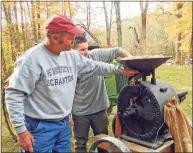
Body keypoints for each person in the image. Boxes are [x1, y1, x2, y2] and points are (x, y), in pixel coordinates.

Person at [5, 14, 138, 153]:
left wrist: (121, 70)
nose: (73, 41)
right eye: (70, 38)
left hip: (63, 125)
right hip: (39, 127)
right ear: (55, 38)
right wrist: (21, 131)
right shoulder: (32, 59)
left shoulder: (71, 56)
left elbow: (95, 66)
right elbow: (14, 93)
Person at [71, 35, 133, 153]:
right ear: (72, 51)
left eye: (87, 49)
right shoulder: (69, 65)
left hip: (99, 108)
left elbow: (117, 50)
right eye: (82, 50)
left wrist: (131, 59)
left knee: (103, 142)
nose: (86, 53)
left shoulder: (95, 55)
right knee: (80, 144)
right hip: (79, 112)